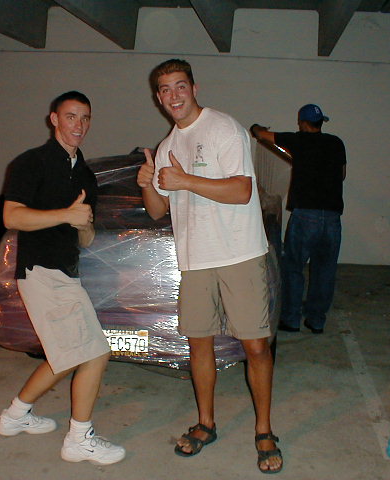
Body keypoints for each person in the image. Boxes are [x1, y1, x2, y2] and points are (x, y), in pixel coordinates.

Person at [137, 59, 282, 474]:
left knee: (255, 346)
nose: (174, 95)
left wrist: (186, 181)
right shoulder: (167, 145)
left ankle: (264, 430)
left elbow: (241, 190)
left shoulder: (224, 128)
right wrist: (148, 184)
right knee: (198, 343)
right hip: (195, 260)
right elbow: (158, 210)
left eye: (180, 86)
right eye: (165, 89)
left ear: (194, 88)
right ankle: (206, 423)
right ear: (158, 98)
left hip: (238, 254)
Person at [0, 90, 125, 466]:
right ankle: (79, 440)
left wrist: (82, 225)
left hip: (66, 271)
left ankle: (15, 416)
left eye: (85, 118)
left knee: (68, 354)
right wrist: (65, 215)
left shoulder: (85, 174)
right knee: (95, 353)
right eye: (71, 116)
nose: (79, 125)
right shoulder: (31, 162)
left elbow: (85, 237)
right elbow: (11, 217)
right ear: (54, 119)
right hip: (40, 270)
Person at [250, 104, 346, 334]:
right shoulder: (336, 143)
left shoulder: (297, 140)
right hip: (332, 218)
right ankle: (316, 321)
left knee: (293, 267)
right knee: (325, 271)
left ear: (302, 122)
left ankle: (292, 320)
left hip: (306, 216)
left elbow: (262, 135)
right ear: (321, 122)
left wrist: (256, 128)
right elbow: (342, 175)